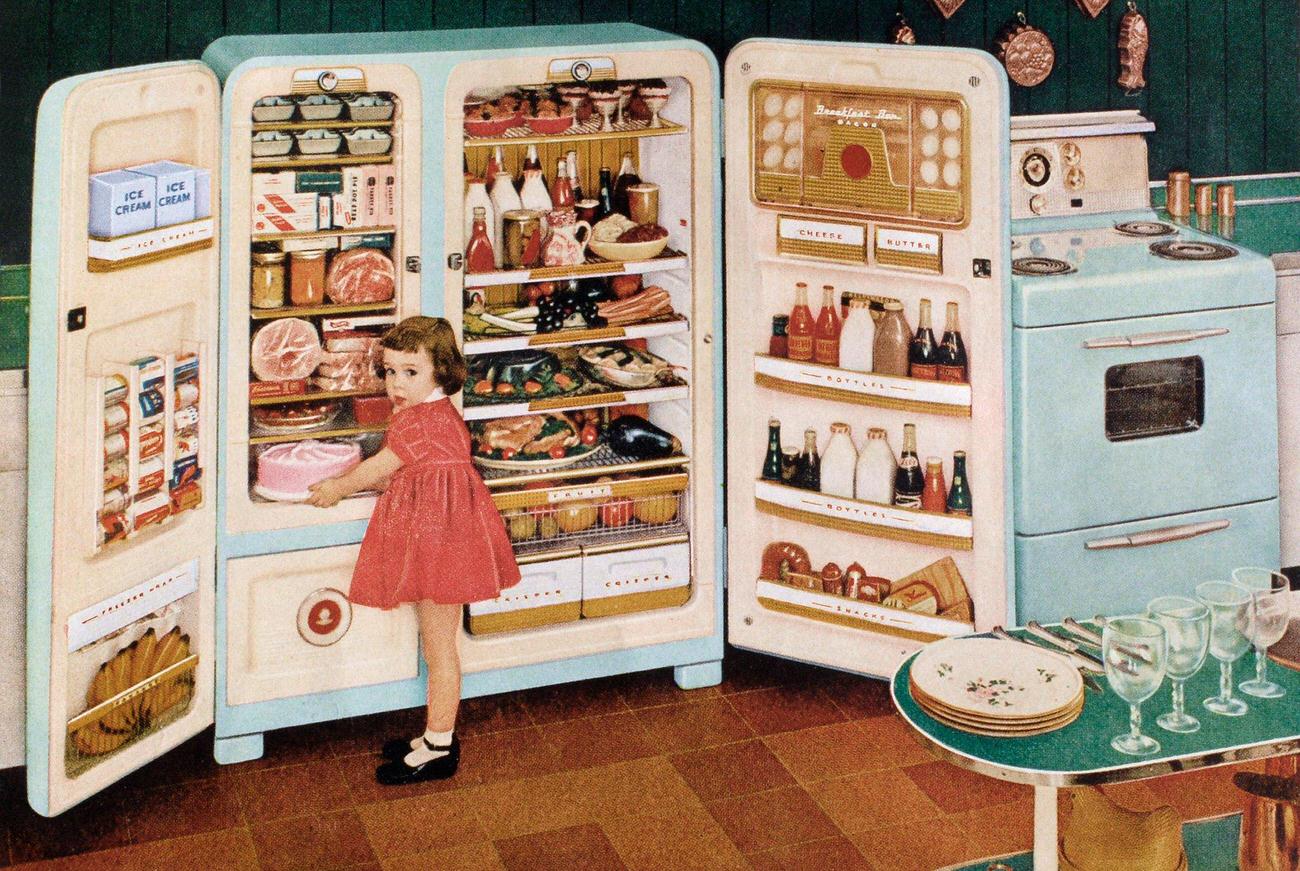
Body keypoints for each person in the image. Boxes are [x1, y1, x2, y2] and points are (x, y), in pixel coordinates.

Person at [307, 316, 521, 784]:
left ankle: (440, 746)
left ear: (441, 373)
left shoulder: (419, 423)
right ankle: (431, 737)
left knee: (440, 648)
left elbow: (380, 468)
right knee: (437, 644)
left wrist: (336, 488)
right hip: (444, 537)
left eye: (410, 372)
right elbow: (409, 469)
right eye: (389, 371)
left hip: (439, 543)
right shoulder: (434, 413)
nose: (396, 384)